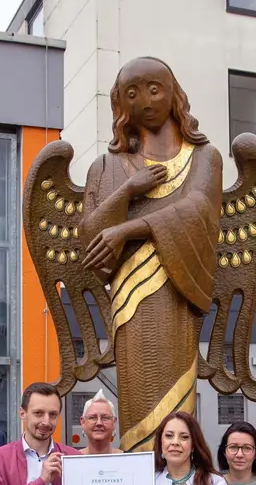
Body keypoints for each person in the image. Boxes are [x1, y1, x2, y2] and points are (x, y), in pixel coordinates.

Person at [77, 56, 222, 453]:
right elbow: (90, 237)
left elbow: (200, 211)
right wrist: (127, 190)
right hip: (128, 303)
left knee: (176, 412)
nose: (145, 100)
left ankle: (178, 480)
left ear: (173, 92)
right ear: (120, 105)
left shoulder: (203, 157)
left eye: (154, 89)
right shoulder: (106, 166)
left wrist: (129, 228)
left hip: (177, 294)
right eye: (132, 93)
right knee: (138, 396)